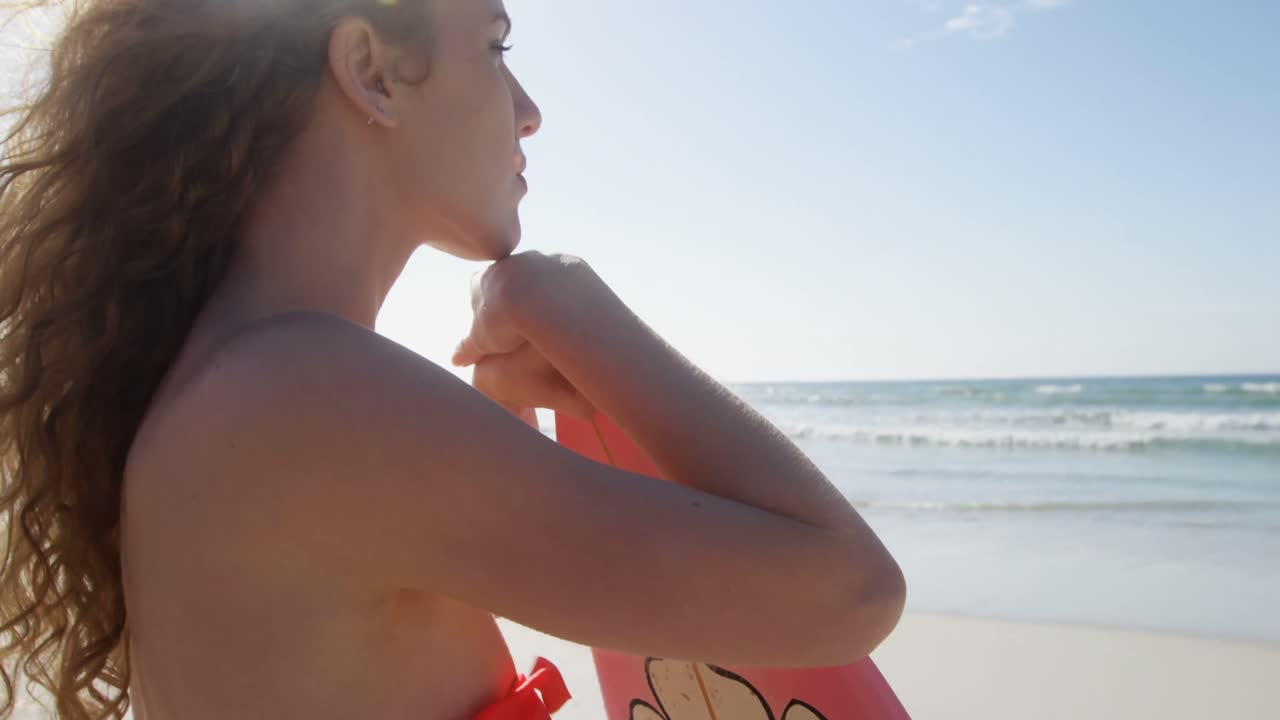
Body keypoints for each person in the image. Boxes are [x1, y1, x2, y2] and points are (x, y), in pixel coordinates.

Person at [0, 0, 906, 717]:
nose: (529, 111)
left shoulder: (242, 387)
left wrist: (496, 415)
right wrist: (566, 302)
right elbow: (850, 594)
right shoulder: (303, 398)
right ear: (371, 72)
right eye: (496, 45)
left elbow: (396, 615)